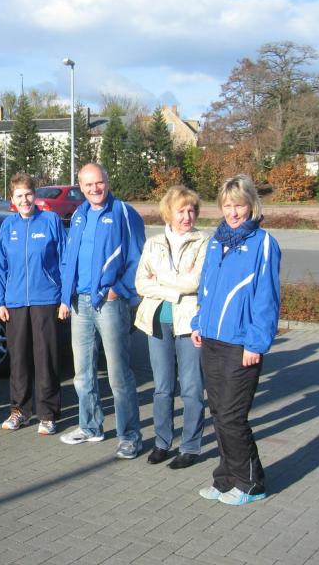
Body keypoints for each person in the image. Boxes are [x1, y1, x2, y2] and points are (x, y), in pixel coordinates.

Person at [192, 174, 281, 506]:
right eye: (227, 206)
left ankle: (251, 484)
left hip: (241, 344)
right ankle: (226, 478)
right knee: (218, 412)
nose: (233, 212)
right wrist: (199, 322)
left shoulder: (263, 243)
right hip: (211, 339)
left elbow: (266, 299)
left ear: (251, 205)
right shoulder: (217, 240)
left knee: (232, 416)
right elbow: (206, 287)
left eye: (239, 205)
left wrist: (255, 344)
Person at [58, 162, 145, 458]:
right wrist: (65, 296)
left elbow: (138, 257)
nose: (95, 188)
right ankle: (90, 426)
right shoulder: (79, 215)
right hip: (79, 303)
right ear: (80, 187)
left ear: (107, 181)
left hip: (109, 302)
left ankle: (130, 435)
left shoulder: (123, 213)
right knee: (82, 374)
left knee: (118, 375)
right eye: (88, 184)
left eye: (99, 182)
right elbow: (69, 258)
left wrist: (118, 289)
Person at [135, 185, 209, 469]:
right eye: (181, 211)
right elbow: (141, 284)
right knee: (163, 388)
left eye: (191, 210)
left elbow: (196, 282)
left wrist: (161, 281)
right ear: (169, 213)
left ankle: (190, 446)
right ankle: (162, 442)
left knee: (191, 388)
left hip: (189, 323)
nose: (187, 216)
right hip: (157, 321)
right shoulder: (153, 243)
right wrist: (175, 288)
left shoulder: (204, 241)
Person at [0, 173, 66, 436]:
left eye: (28, 194)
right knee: (19, 360)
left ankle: (48, 414)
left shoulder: (51, 221)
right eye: (19, 196)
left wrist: (65, 298)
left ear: (35, 195)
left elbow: (64, 260)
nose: (24, 200)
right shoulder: (8, 226)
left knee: (46, 359)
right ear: (12, 199)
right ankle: (20, 411)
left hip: (47, 300)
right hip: (15, 302)